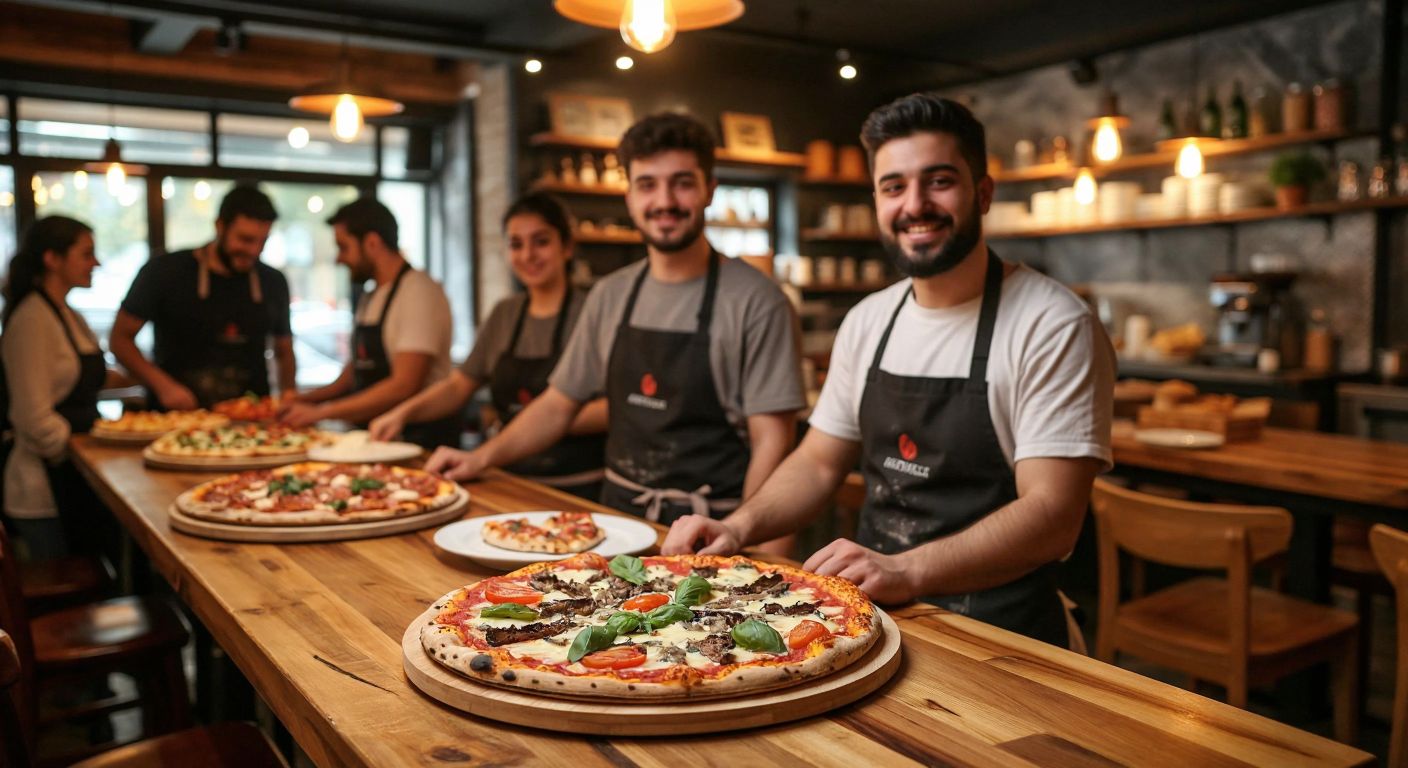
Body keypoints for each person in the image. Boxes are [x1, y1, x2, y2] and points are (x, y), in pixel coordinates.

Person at [662, 94, 1115, 647]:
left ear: (984, 193)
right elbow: (818, 463)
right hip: (870, 622)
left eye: (939, 181)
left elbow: (1052, 514)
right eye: (894, 186)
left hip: (1004, 635)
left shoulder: (1052, 323)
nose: (915, 204)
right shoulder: (870, 319)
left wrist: (908, 571)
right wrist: (739, 527)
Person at [427, 113, 805, 534]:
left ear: (708, 191)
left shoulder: (758, 301)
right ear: (629, 196)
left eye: (681, 182)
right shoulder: (611, 295)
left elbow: (772, 444)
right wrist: (481, 457)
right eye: (647, 184)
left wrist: (742, 538)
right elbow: (556, 405)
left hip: (713, 525)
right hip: (619, 524)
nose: (664, 201)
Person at [370, 193, 607, 498]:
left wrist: (545, 419)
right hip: (507, 478)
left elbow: (613, 408)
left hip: (578, 484)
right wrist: (402, 413)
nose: (528, 255)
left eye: (541, 241)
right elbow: (458, 386)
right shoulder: (504, 314)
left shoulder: (594, 311)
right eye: (516, 244)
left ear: (567, 246)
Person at [282, 197, 457, 449]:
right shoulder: (371, 295)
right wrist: (305, 400)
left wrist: (322, 412)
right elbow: (353, 375)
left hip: (417, 441)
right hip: (374, 437)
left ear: (372, 243)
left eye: (343, 247)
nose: (338, 259)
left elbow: (404, 385)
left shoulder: (418, 291)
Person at [1, 217, 124, 559]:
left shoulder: (68, 314)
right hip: (44, 488)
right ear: (52, 259)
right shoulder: (31, 320)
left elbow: (92, 378)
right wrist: (80, 452)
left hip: (71, 478)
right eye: (86, 254)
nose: (95, 263)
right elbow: (31, 418)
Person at [110, 184, 294, 409]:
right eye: (245, 240)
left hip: (249, 419)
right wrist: (163, 385)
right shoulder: (165, 271)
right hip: (177, 417)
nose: (254, 251)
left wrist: (288, 397)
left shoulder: (272, 281)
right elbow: (120, 339)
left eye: (262, 242)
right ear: (219, 226)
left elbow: (284, 351)